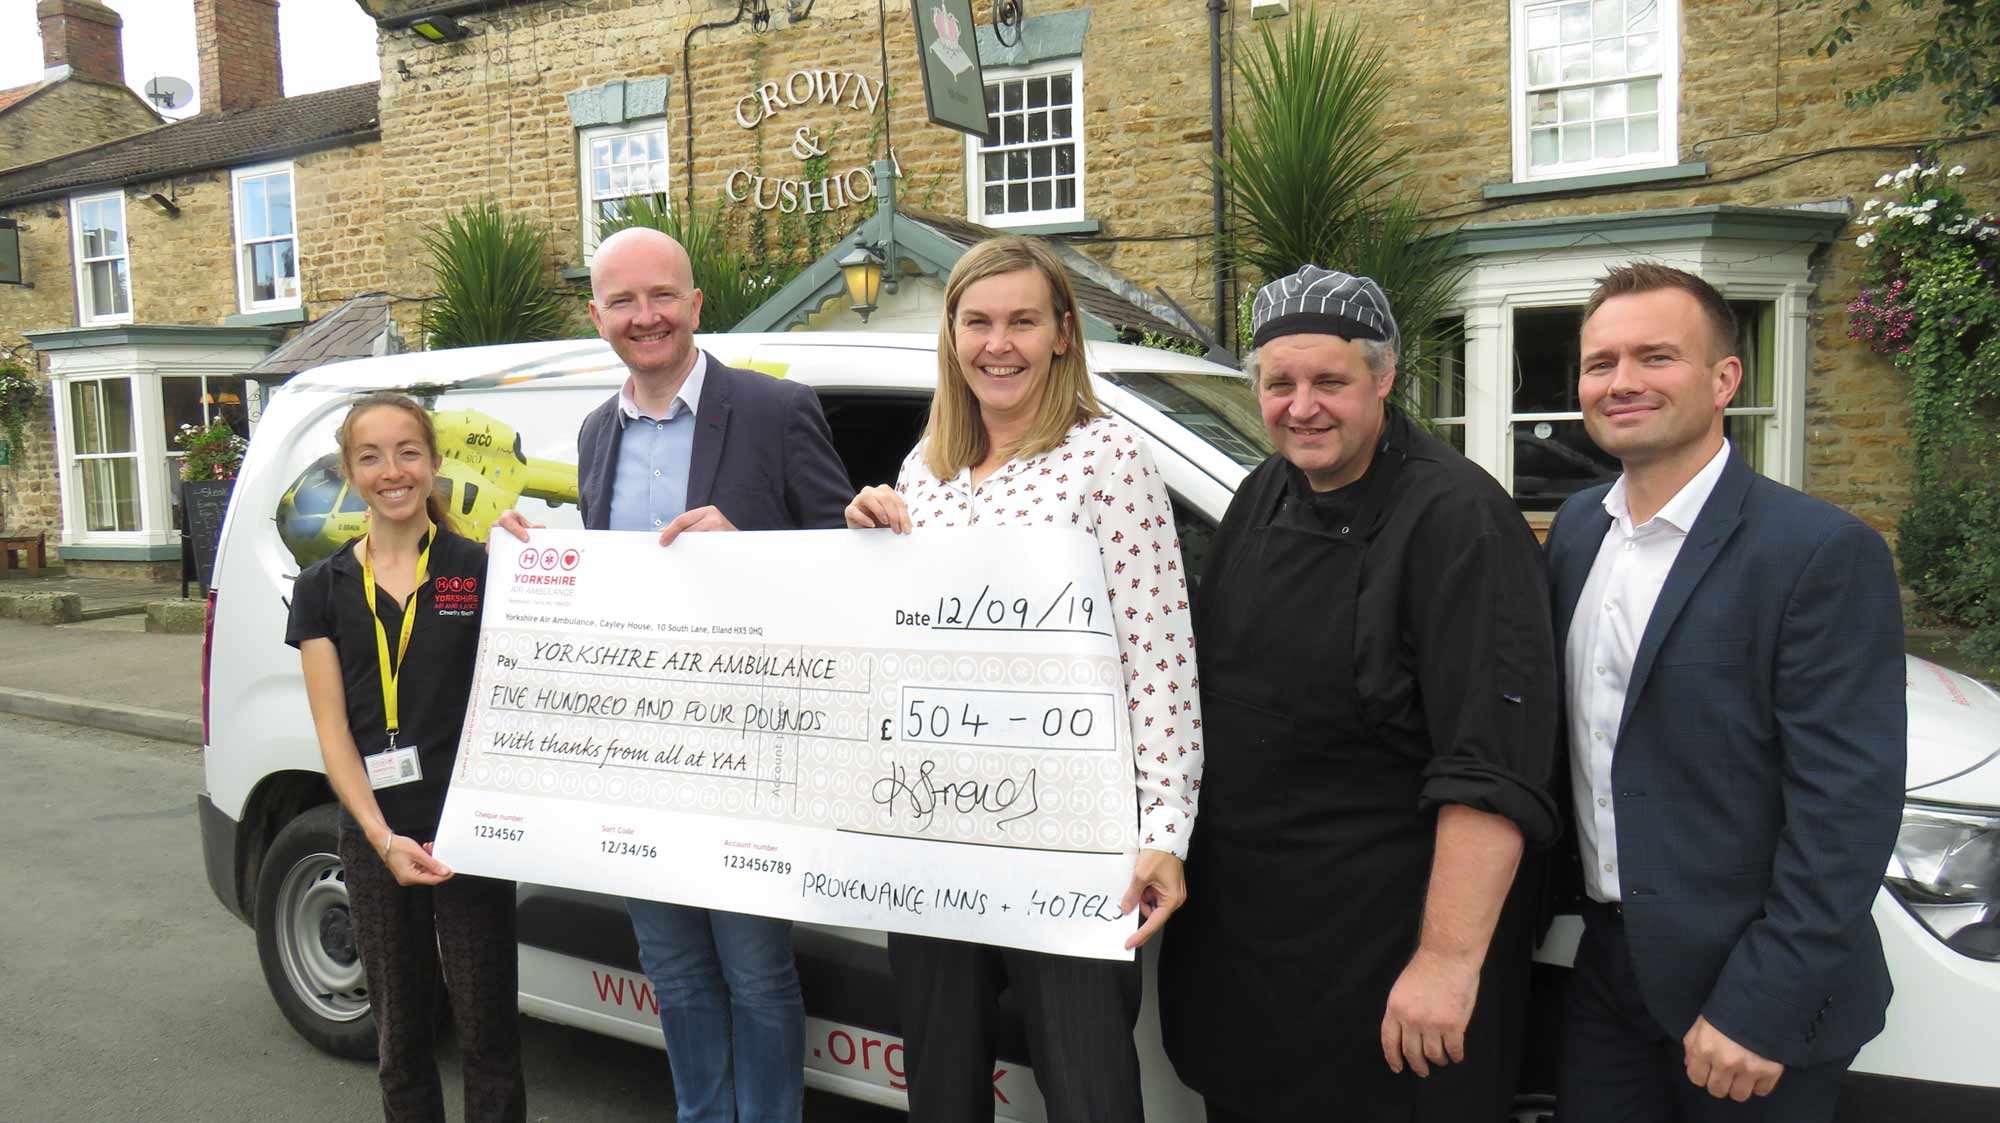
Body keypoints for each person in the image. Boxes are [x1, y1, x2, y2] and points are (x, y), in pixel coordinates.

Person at [1156, 265, 1561, 1122]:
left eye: (1330, 381)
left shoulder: (1459, 522)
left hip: (1383, 955)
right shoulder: (1266, 491)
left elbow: (1490, 768)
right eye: (1280, 383)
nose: (1303, 406)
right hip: (1257, 950)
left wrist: (1447, 963)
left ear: (1384, 377)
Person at [844, 234, 1202, 1121]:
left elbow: (1158, 657)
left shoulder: (1106, 456)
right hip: (931, 831)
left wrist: (1167, 827)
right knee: (942, 1084)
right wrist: (862, 540)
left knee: (1088, 1087)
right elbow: (890, 641)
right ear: (952, 335)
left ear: (1062, 334)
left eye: (1022, 321)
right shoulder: (921, 472)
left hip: (1069, 840)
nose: (998, 343)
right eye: (978, 322)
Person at [500, 225, 851, 1123]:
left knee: (756, 969)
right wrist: (535, 566)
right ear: (597, 316)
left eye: (662, 296)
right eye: (622, 300)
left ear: (697, 305)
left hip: (748, 753)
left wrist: (755, 556)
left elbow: (851, 570)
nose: (644, 316)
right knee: (674, 965)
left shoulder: (777, 410)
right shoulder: (593, 433)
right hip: (638, 754)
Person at [1548, 263, 1905, 1120]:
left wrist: (1762, 1004)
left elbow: (1846, 807)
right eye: (1601, 363)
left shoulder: (1819, 552)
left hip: (1752, 997)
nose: (1622, 381)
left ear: (1724, 379)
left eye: (1655, 356)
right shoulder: (1571, 534)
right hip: (1606, 973)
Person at [288, 392, 526, 1122]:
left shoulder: (477, 568)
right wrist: (382, 837)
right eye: (371, 456)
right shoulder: (321, 588)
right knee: (401, 1040)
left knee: (489, 1036)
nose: (392, 471)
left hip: (470, 832)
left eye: (408, 452)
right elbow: (335, 735)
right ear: (350, 473)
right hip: (375, 836)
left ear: (433, 462)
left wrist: (539, 560)